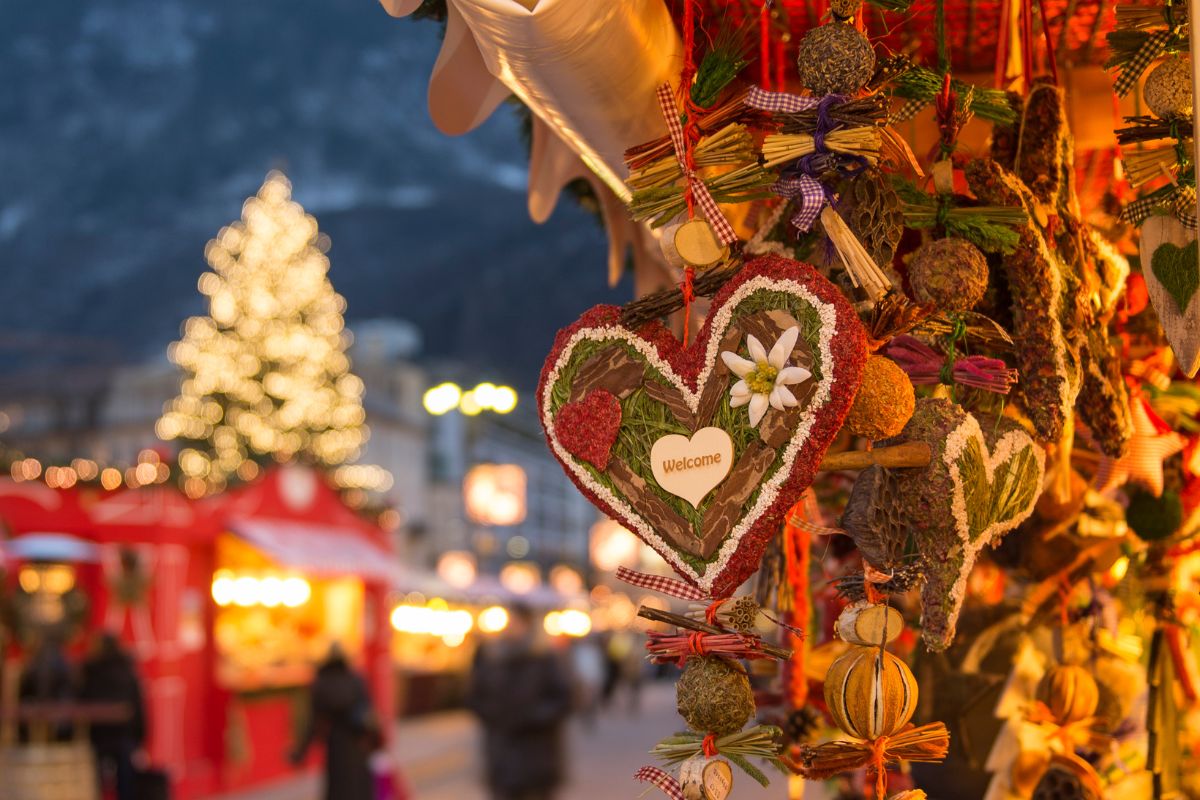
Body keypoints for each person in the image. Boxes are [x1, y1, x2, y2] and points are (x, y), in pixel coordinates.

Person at [467, 603, 572, 800]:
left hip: (537, 752)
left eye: (514, 621)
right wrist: (493, 715)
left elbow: (564, 698)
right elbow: (475, 696)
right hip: (501, 751)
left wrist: (533, 717)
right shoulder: (492, 656)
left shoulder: (545, 657)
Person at [291, 643, 377, 800]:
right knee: (359, 787)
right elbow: (368, 710)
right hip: (357, 742)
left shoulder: (321, 683)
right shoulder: (355, 679)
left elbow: (313, 720)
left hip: (336, 743)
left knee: (338, 788)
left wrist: (301, 751)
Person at [78, 633, 146, 800]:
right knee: (125, 778)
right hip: (124, 733)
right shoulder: (126, 670)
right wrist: (140, 735)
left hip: (98, 733)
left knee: (96, 776)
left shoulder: (91, 671)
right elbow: (137, 705)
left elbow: (83, 699)